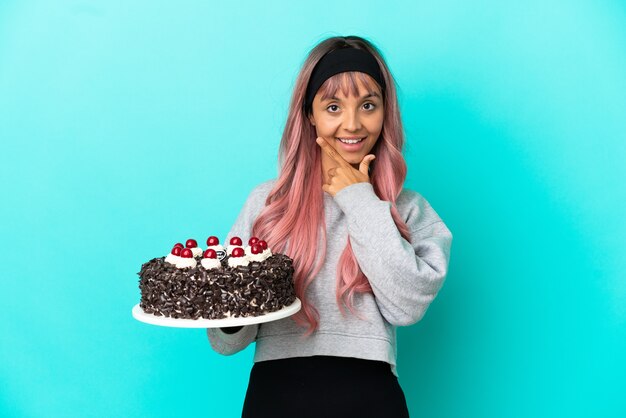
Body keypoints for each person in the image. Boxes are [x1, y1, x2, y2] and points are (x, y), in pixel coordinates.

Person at [207, 35, 453, 418]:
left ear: (386, 112)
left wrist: (358, 198)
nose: (352, 123)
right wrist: (224, 311)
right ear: (310, 114)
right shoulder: (268, 205)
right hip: (275, 398)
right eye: (334, 106)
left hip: (369, 400)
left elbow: (407, 307)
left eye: (368, 105)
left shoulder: (409, 210)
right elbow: (225, 342)